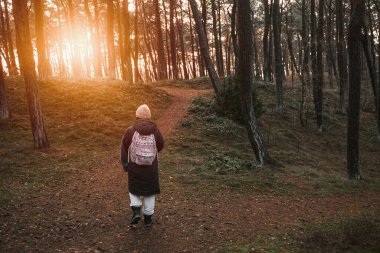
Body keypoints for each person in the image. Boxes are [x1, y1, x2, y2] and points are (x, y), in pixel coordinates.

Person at [120, 104, 164, 227]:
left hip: (135, 165)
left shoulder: (130, 130)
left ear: (137, 115)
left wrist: (125, 163)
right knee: (150, 192)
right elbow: (160, 145)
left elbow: (124, 148)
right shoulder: (155, 130)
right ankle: (148, 219)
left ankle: (136, 210)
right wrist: (151, 155)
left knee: (134, 189)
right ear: (149, 116)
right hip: (151, 166)